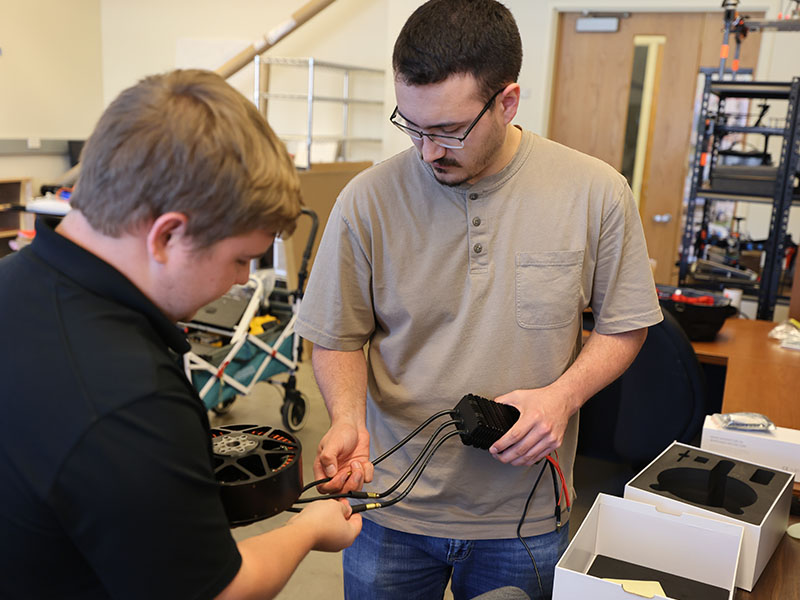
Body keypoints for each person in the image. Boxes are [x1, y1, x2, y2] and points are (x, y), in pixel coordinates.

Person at [294, 1, 662, 599]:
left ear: (508, 102)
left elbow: (625, 325)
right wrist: (345, 417)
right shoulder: (366, 200)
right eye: (411, 126)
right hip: (387, 508)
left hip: (523, 517)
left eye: (448, 130)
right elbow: (336, 331)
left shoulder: (595, 193)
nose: (427, 151)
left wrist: (562, 397)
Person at [0, 69, 361, 600]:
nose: (242, 279)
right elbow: (218, 590)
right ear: (168, 235)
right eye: (240, 258)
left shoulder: (13, 282)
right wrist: (307, 529)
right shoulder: (129, 396)